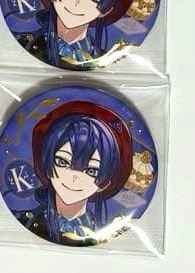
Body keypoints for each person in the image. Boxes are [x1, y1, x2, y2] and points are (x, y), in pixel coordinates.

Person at [12, 100, 132, 244]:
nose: (74, 178)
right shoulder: (22, 221)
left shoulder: (108, 232)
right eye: (62, 162)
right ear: (47, 164)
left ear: (105, 183)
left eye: (91, 171)